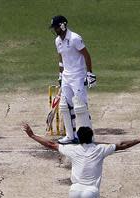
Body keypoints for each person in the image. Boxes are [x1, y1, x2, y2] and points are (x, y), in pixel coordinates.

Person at [49, 15, 97, 144]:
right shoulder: (57, 41)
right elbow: (61, 58)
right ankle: (71, 136)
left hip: (78, 76)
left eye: (56, 27)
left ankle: (89, 136)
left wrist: (90, 73)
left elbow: (87, 56)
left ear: (63, 25)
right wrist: (60, 75)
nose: (55, 30)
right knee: (65, 107)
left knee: (80, 106)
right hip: (66, 76)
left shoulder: (75, 38)